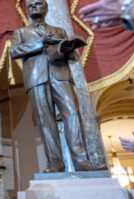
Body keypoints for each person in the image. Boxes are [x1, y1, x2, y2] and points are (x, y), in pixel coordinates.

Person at [9, 0, 106, 172]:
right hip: (36, 79)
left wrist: (67, 48)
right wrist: (41, 43)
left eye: (37, 4)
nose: (33, 7)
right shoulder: (21, 32)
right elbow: (15, 52)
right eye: (30, 6)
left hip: (61, 75)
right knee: (45, 120)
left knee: (73, 115)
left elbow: (74, 58)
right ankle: (55, 163)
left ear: (46, 8)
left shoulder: (59, 31)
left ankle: (81, 161)